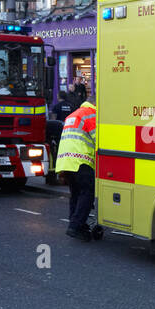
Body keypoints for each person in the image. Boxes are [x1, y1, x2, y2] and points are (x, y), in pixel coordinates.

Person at [57, 96, 97, 241]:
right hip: (81, 160)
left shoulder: (73, 115)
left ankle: (74, 224)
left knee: (76, 194)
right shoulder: (91, 114)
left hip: (66, 162)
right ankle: (75, 225)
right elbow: (99, 139)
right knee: (87, 193)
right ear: (96, 103)